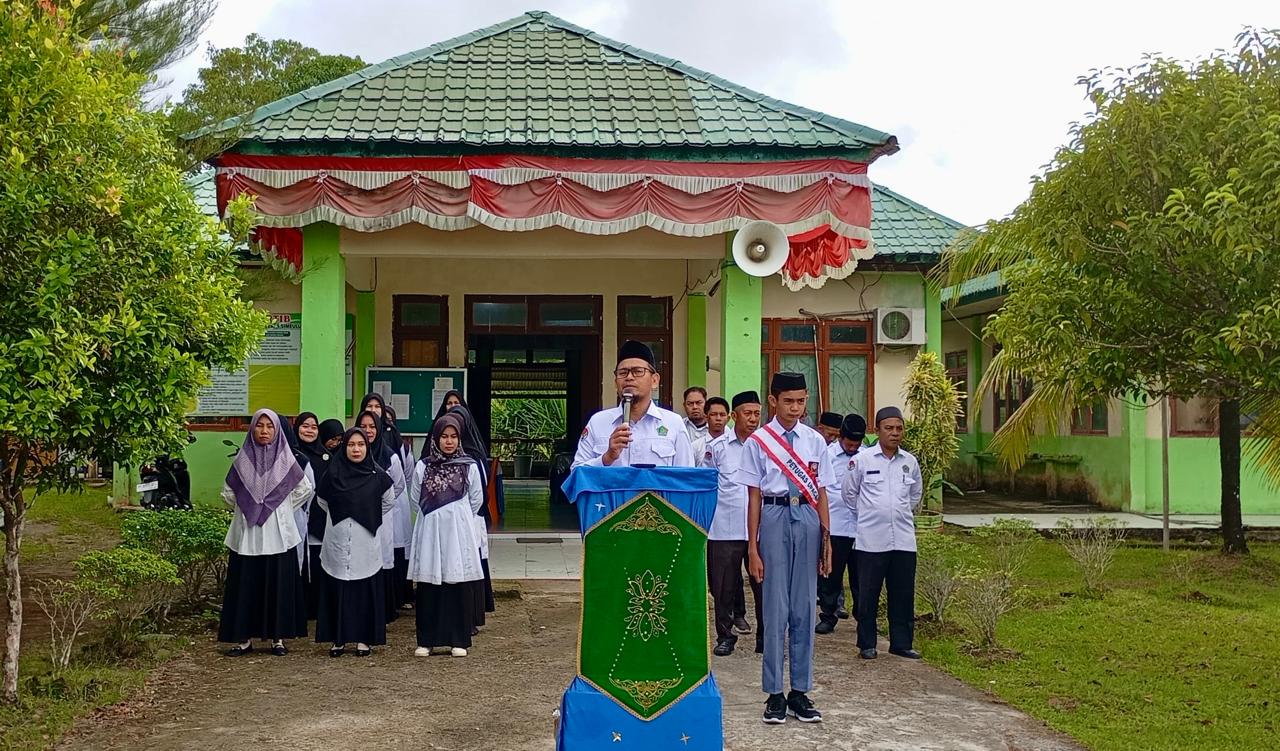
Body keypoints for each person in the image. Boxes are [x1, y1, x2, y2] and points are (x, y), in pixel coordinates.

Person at [738, 372, 833, 725]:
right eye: (788, 401)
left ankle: (801, 692)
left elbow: (822, 492)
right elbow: (753, 497)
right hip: (774, 516)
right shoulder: (759, 442)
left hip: (807, 518)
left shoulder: (814, 441)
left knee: (805, 607)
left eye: (801, 401)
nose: (795, 408)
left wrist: (827, 540)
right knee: (775, 607)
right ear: (773, 400)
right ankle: (775, 693)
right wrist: (753, 547)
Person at [218, 409, 313, 657]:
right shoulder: (241, 460)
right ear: (252, 429)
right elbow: (228, 494)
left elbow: (304, 489)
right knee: (246, 586)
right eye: (259, 426)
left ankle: (277, 638)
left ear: (277, 430)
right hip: (247, 535)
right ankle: (243, 639)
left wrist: (276, 505)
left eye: (269, 427)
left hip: (278, 534)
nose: (264, 431)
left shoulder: (287, 460)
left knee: (278, 586)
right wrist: (251, 506)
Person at [843, 406, 923, 660]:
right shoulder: (862, 460)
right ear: (876, 430)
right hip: (871, 540)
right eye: (889, 428)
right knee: (867, 594)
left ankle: (901, 643)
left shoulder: (909, 462)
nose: (895, 433)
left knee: (902, 593)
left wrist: (894, 512)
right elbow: (849, 494)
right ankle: (867, 643)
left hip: (903, 539)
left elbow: (914, 496)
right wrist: (872, 513)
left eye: (899, 428)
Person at [407, 412, 486, 657]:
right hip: (430, 532)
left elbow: (476, 500)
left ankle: (458, 640)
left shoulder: (469, 466)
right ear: (436, 438)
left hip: (457, 533)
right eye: (444, 436)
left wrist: (455, 517)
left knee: (456, 583)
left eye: (453, 437)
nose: (449, 441)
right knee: (429, 585)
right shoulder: (423, 465)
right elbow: (414, 499)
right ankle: (427, 640)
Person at [315, 428, 396, 657]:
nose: (356, 449)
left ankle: (363, 639)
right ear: (345, 447)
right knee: (338, 589)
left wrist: (366, 513)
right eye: (351, 444)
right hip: (338, 540)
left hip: (365, 541)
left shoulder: (377, 475)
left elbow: (388, 500)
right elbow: (322, 501)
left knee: (362, 591)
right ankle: (337, 640)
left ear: (367, 447)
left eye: (361, 444)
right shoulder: (332, 474)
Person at [704, 391, 765, 657]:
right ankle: (725, 636)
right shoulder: (718, 448)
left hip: (762, 530)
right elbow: (706, 487)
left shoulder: (767, 447)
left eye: (757, 414)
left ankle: (766, 637)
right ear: (734, 416)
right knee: (723, 587)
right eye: (748, 413)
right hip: (725, 528)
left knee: (764, 587)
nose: (753, 419)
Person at [572, 340, 695, 469]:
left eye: (638, 371)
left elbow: (686, 478)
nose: (629, 377)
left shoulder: (673, 423)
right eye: (623, 373)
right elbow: (576, 473)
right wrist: (606, 458)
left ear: (654, 380)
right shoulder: (598, 422)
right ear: (615, 382)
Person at [444, 402, 496, 630]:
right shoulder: (436, 456)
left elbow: (479, 495)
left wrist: (463, 515)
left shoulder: (473, 455)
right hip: (444, 524)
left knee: (469, 564)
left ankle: (471, 617)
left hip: (469, 519)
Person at [357, 410, 409, 622]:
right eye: (364, 426)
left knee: (382, 560)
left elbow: (398, 486)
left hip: (381, 516)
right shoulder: (352, 453)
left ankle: (383, 611)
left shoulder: (390, 456)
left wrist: (379, 504)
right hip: (357, 519)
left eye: (372, 426)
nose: (368, 431)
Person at [816, 413, 866, 635]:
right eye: (849, 443)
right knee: (830, 575)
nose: (852, 448)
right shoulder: (826, 455)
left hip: (861, 527)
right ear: (840, 438)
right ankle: (828, 615)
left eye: (856, 444)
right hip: (834, 526)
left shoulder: (867, 457)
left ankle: (863, 616)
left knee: (862, 576)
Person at [304, 418, 345, 620]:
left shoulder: (328, 457)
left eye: (339, 439)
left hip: (322, 516)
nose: (335, 443)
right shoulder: (292, 455)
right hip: (301, 516)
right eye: (332, 438)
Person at [697, 396, 730, 467]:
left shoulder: (733, 445)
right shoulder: (696, 447)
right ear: (706, 418)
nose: (718, 418)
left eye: (722, 415)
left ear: (728, 418)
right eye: (714, 414)